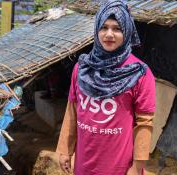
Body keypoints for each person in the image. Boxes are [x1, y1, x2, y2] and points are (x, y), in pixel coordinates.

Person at [56, 0, 155, 175]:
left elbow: (144, 124)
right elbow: (72, 109)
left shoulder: (139, 73)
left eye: (117, 28)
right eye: (104, 27)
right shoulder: (82, 68)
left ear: (127, 31)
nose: (109, 34)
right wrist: (65, 149)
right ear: (96, 30)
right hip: (84, 164)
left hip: (119, 167)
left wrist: (137, 167)